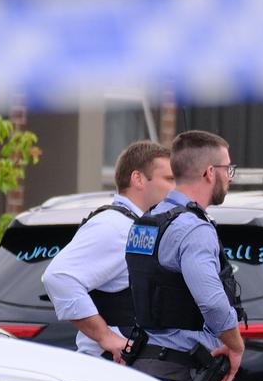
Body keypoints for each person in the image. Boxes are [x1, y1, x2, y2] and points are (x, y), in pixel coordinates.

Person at [123, 130, 245, 381]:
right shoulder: (194, 229)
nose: (230, 177)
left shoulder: (148, 220)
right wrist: (236, 345)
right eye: (228, 169)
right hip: (180, 374)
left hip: (143, 364)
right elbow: (212, 303)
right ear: (210, 172)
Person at [42, 141, 173, 361]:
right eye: (169, 179)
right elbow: (58, 277)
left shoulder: (137, 226)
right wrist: (106, 336)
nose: (175, 187)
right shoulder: (114, 226)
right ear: (138, 179)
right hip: (108, 370)